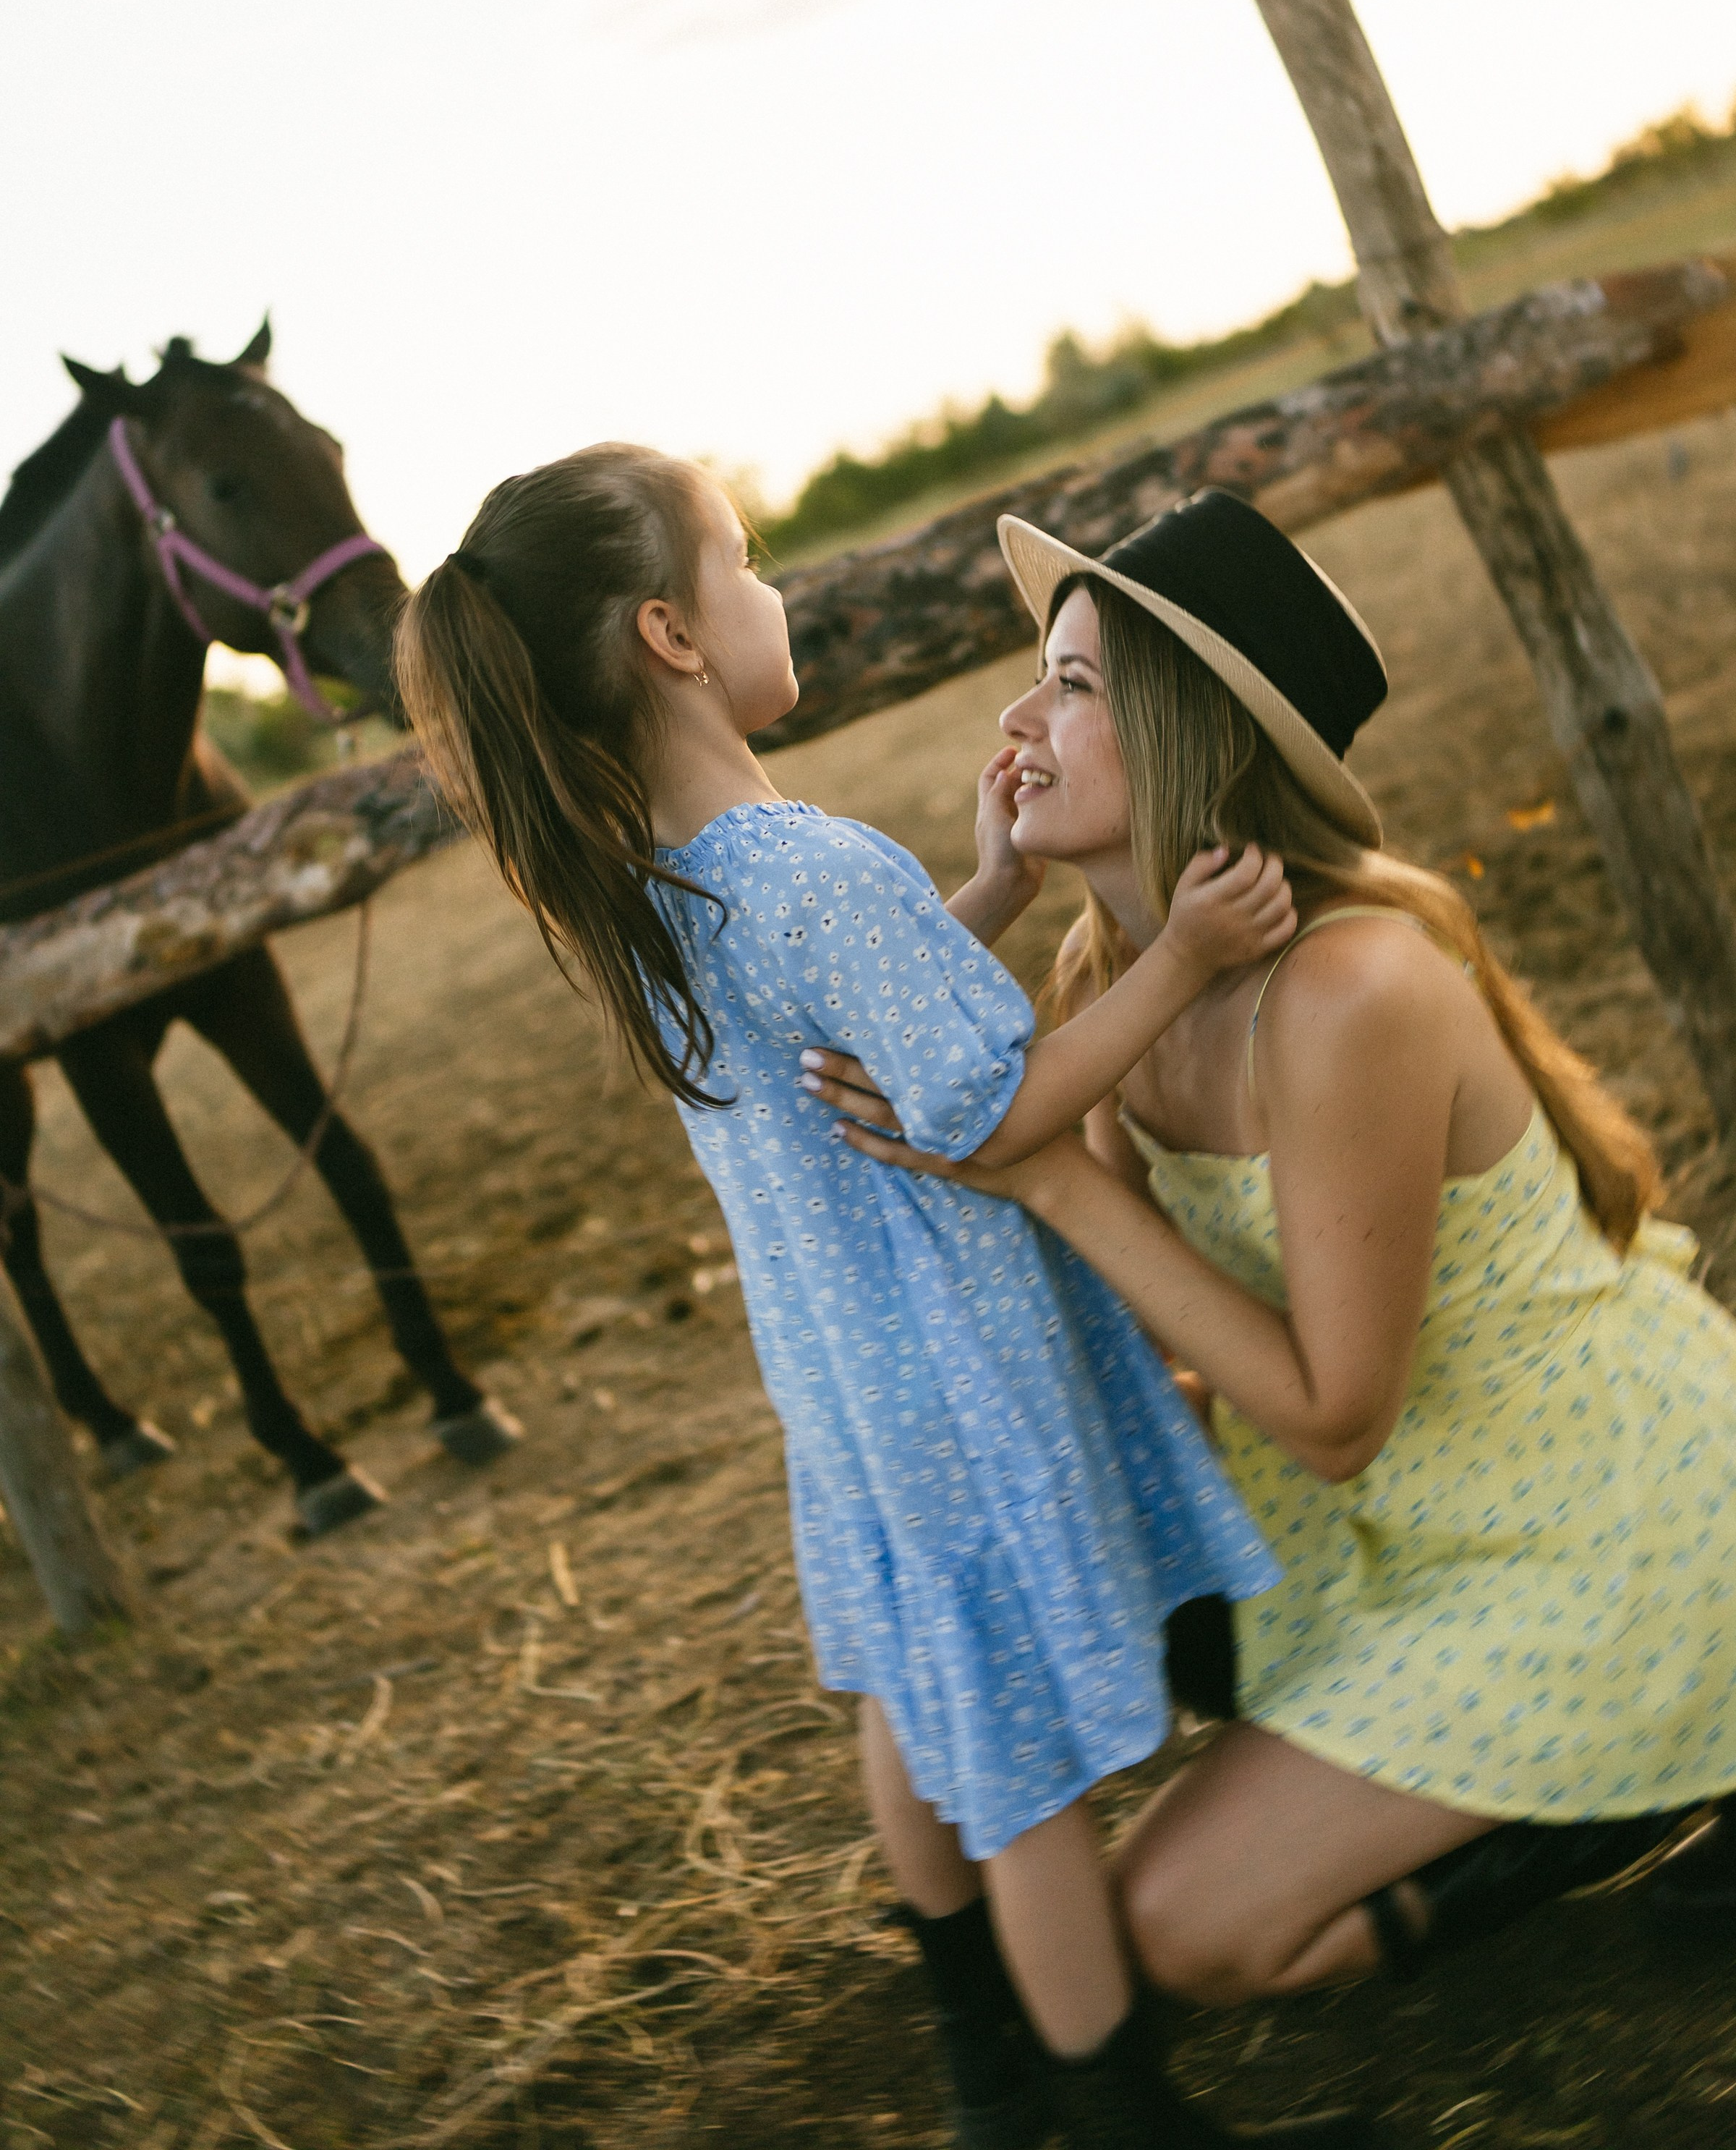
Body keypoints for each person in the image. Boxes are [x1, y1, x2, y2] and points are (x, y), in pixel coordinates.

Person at [393, 446, 1374, 2150]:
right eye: (745, 560)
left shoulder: (669, 886)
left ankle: (980, 2050)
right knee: (1030, 1778)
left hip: (848, 1386)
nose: (773, 589)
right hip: (959, 1366)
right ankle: (1107, 2102)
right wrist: (1184, 960)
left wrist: (986, 890)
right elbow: (989, 1108)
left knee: (925, 1694)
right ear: (672, 635)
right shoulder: (813, 867)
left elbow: (863, 1030)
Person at [811, 488, 1736, 2015]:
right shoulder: (1113, 964)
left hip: (1590, 1509)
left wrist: (1045, 1177)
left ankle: (1637, 1788)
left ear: (1195, 734)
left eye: (1076, 681)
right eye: (1041, 669)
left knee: (1185, 1936)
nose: (1018, 709)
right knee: (1057, 1550)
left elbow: (1330, 1416)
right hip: (1390, 1521)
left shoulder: (1347, 987)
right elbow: (1127, 1329)